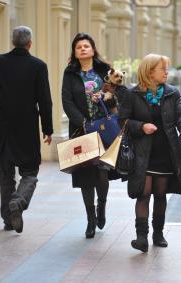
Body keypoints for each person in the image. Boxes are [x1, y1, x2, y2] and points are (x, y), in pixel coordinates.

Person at [0, 26, 53, 233]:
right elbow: (44, 100)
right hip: (27, 126)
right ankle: (18, 201)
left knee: (6, 172)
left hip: (3, 125)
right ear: (30, 43)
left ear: (12, 42)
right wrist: (47, 128)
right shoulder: (38, 66)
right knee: (30, 170)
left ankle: (8, 220)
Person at [119, 53, 181, 253]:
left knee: (160, 194)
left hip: (166, 152)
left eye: (167, 69)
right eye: (163, 69)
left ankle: (158, 234)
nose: (167, 73)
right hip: (143, 153)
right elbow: (123, 121)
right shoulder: (132, 94)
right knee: (143, 195)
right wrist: (141, 126)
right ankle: (141, 237)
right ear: (150, 71)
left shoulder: (172, 93)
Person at [61, 33, 122, 239]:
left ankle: (101, 206)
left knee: (102, 172)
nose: (83, 49)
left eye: (86, 46)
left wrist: (106, 97)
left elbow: (117, 94)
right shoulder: (70, 74)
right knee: (86, 174)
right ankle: (90, 220)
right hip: (82, 130)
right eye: (79, 47)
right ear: (75, 52)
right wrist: (83, 123)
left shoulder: (105, 71)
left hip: (104, 128)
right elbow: (66, 101)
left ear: (93, 49)